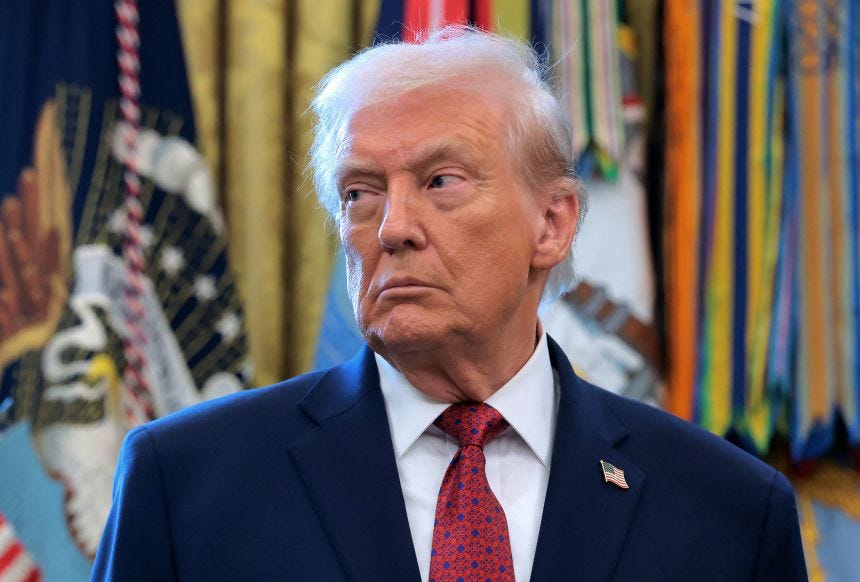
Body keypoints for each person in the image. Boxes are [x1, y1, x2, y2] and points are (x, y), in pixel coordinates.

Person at [91, 28, 807, 581]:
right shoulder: (186, 481)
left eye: (440, 181)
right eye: (359, 193)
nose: (392, 227)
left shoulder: (729, 510)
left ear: (551, 224)